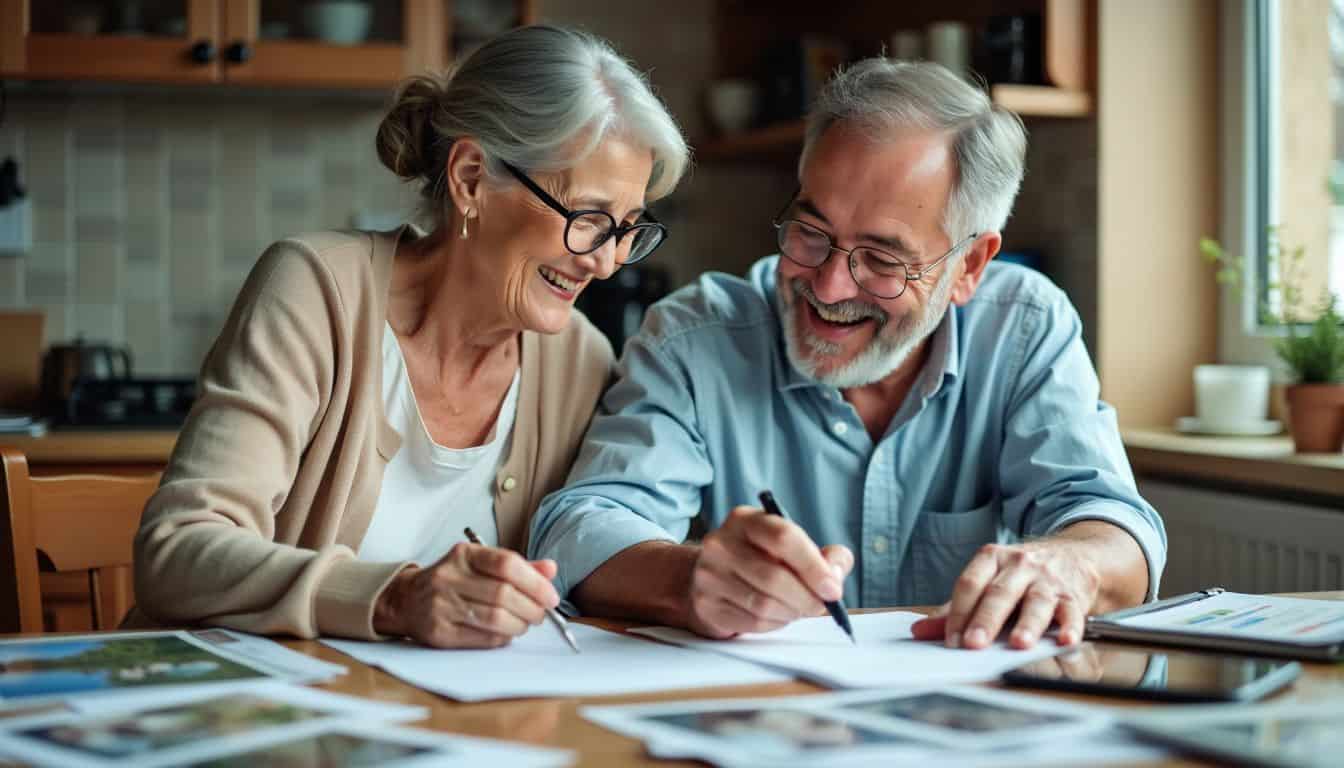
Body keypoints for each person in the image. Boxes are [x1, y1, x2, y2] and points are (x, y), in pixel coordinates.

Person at [529, 58, 1166, 651]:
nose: (829, 287)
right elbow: (586, 524)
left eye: (883, 260)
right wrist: (692, 577)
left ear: (969, 265)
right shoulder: (696, 338)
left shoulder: (1023, 327)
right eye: (811, 233)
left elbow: (1114, 526)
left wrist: (1073, 565)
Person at [130, 25, 689, 648]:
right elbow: (177, 553)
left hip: (425, 725)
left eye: (628, 229)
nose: (607, 262)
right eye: (588, 219)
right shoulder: (317, 290)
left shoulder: (580, 358)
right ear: (472, 178)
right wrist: (395, 598)